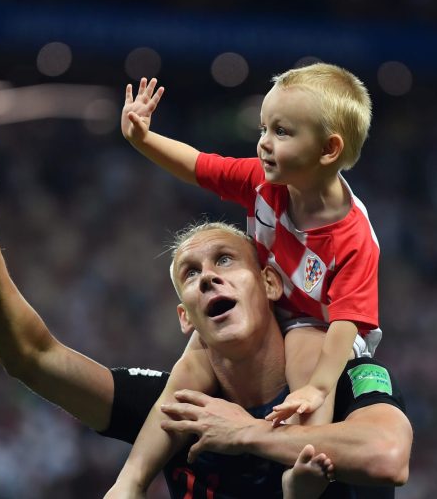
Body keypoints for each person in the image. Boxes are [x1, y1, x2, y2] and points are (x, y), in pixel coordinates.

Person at [0, 118, 411, 498]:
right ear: (186, 317)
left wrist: (248, 434)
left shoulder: (339, 374)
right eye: (190, 274)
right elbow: (31, 356)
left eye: (225, 259)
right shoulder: (175, 410)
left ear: (270, 283)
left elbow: (389, 457)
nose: (207, 277)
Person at [113, 63, 382, 495]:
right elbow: (201, 166)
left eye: (282, 132)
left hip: (320, 326)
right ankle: (130, 482)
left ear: (328, 150)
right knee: (191, 362)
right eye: (263, 128)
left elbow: (346, 321)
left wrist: (318, 386)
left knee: (305, 355)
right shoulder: (263, 182)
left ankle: (302, 468)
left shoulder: (353, 239)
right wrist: (143, 139)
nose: (263, 143)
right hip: (268, 303)